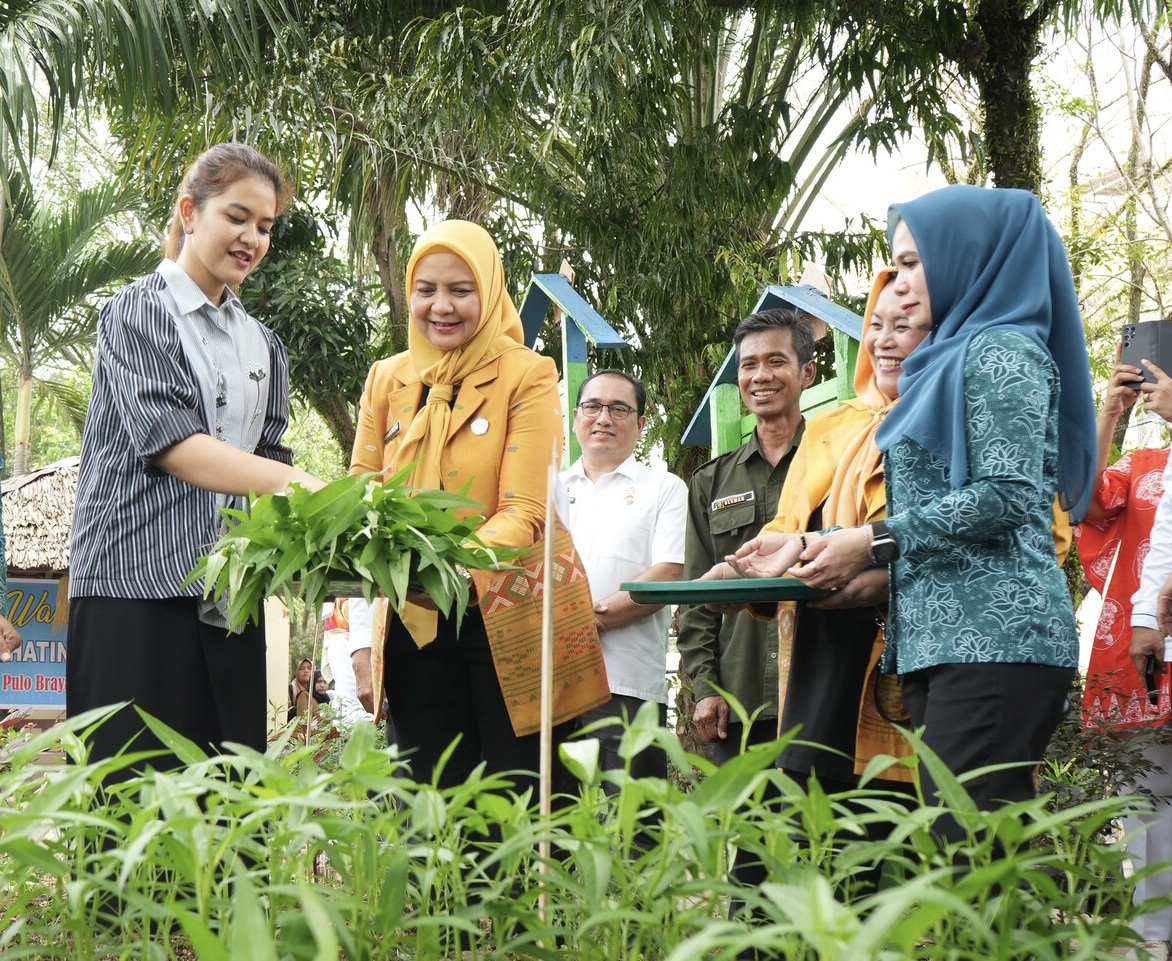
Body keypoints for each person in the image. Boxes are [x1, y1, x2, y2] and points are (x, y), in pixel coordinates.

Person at [729, 185, 1097, 839]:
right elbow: (931, 512)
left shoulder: (1001, 352)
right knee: (965, 864)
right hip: (945, 643)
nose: (897, 285)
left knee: (975, 861)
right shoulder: (952, 361)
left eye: (911, 263)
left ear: (968, 257)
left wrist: (867, 540)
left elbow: (1007, 496)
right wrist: (811, 544)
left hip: (995, 639)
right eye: (895, 265)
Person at [67, 142, 324, 773]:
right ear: (189, 210)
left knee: (226, 812)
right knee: (130, 810)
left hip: (228, 600)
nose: (252, 238)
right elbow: (174, 445)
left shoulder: (263, 345)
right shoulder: (137, 311)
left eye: (265, 227)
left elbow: (265, 458)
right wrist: (306, 484)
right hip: (134, 594)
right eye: (237, 217)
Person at [349, 219, 607, 797]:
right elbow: (360, 491)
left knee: (526, 796)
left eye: (461, 290)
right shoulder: (386, 378)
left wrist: (441, 568)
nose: (441, 306)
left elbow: (524, 509)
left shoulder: (528, 374)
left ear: (488, 292)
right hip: (415, 618)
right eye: (427, 290)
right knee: (431, 794)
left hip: (507, 612)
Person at [676, 308, 816, 763]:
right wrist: (706, 688)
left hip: (821, 688)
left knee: (823, 831)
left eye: (776, 361)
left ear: (807, 372)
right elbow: (696, 597)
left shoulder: (840, 465)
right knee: (745, 831)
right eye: (748, 364)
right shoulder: (710, 482)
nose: (761, 376)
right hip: (739, 701)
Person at [557, 369, 688, 788]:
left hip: (626, 683)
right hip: (550, 680)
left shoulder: (664, 488)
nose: (603, 418)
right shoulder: (547, 491)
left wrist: (583, 623)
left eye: (619, 408)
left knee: (634, 823)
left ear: (641, 423)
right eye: (593, 407)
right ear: (576, 416)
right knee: (554, 822)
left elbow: (669, 572)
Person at [1116, 352, 1172, 961]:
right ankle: (1152, 932)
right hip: (1153, 636)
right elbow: (1082, 501)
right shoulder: (1148, 461)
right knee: (1151, 788)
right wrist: (1141, 619)